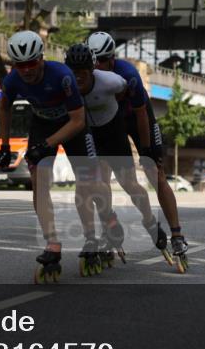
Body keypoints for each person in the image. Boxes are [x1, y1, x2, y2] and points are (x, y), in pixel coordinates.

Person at [0, 30, 104, 281]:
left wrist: (47, 145)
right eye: (19, 64)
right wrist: (4, 145)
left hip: (72, 126)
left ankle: (91, 238)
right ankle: (52, 244)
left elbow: (78, 121)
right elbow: (4, 109)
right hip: (42, 124)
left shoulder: (63, 76)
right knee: (39, 183)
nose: (26, 70)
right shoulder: (12, 80)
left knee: (87, 183)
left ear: (41, 58)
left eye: (31, 63)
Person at [87, 31, 189, 269]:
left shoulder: (128, 75)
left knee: (157, 173)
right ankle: (109, 227)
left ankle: (176, 235)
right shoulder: (87, 76)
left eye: (104, 60)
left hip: (136, 118)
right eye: (95, 61)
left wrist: (146, 150)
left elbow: (142, 113)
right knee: (101, 178)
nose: (100, 65)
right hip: (110, 123)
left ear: (112, 57)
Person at [63, 43, 155, 264]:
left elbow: (131, 97)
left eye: (83, 74)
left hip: (114, 132)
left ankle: (150, 219)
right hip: (88, 133)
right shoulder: (64, 85)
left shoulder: (111, 81)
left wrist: (144, 145)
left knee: (129, 184)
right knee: (86, 184)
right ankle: (98, 233)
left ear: (92, 70)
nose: (78, 79)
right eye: (74, 73)